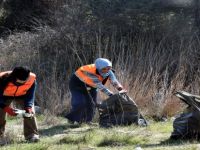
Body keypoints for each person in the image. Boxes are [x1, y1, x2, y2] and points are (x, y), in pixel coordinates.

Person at [65, 58, 125, 124]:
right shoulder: (89, 72)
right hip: (77, 85)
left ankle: (87, 121)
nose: (107, 70)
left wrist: (120, 88)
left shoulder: (108, 71)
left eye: (108, 68)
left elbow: (114, 80)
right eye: (104, 69)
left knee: (92, 103)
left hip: (91, 85)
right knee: (80, 102)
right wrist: (111, 95)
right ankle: (72, 119)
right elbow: (100, 86)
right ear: (99, 68)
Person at [0, 66, 39, 145]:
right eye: (20, 82)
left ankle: (31, 135)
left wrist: (28, 106)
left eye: (24, 81)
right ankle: (0, 136)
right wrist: (5, 107)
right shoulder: (2, 78)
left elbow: (30, 95)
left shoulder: (32, 79)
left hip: (22, 95)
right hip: (4, 96)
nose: (23, 83)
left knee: (30, 113)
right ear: (14, 77)